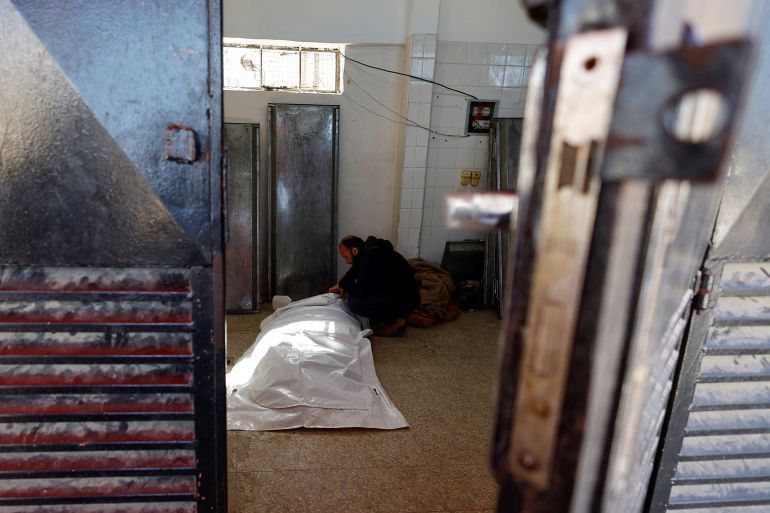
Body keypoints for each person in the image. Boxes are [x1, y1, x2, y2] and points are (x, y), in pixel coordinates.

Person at [329, 235, 420, 337]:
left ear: (354, 251)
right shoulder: (369, 251)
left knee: (355, 302)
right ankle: (390, 314)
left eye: (346, 257)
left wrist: (344, 285)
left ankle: (397, 321)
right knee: (355, 295)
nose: (347, 261)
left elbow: (360, 292)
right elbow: (354, 271)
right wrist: (340, 284)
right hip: (402, 295)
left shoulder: (369, 259)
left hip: (405, 301)